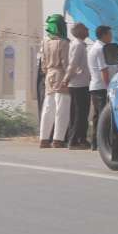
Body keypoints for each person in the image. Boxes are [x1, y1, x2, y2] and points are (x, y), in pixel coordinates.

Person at [39, 14, 72, 148]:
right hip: (60, 74)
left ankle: (44, 139)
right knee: (62, 108)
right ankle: (58, 139)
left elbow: (43, 63)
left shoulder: (45, 42)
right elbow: (66, 63)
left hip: (49, 75)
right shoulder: (64, 43)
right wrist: (68, 78)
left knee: (48, 108)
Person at [87, 25, 118, 150]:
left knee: (97, 116)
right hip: (102, 87)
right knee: (103, 116)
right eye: (110, 34)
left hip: (96, 86)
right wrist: (109, 88)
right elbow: (104, 71)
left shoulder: (95, 47)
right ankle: (101, 143)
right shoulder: (101, 49)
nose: (111, 37)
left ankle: (95, 142)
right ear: (104, 35)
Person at [64, 22, 92, 149]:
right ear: (79, 31)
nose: (88, 30)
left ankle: (80, 139)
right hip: (78, 84)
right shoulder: (78, 45)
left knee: (81, 113)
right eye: (85, 28)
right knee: (79, 113)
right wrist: (66, 79)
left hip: (82, 83)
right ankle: (75, 140)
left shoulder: (80, 45)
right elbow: (73, 64)